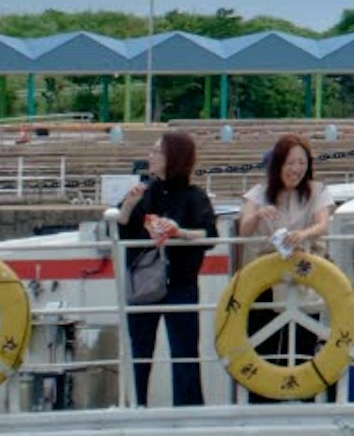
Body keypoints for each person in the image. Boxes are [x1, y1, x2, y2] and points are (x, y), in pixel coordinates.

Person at [114, 129, 220, 406]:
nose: (150, 155)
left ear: (173, 157)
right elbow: (119, 231)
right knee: (140, 351)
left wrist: (179, 232)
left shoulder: (194, 197)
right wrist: (127, 208)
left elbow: (210, 236)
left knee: (185, 353)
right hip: (144, 282)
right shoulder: (142, 193)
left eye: (157, 151)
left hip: (181, 283)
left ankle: (188, 411)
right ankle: (136, 406)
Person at [236, 132, 328, 263]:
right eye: (290, 163)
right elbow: (244, 230)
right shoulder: (258, 193)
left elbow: (322, 224)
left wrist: (303, 234)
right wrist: (258, 215)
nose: (296, 169)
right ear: (277, 165)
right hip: (266, 267)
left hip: (305, 267)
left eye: (302, 163)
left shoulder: (318, 191)